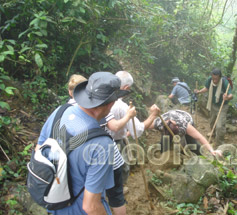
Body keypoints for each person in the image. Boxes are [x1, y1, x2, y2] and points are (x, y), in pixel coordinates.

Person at [35, 72, 130, 215]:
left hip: (54, 204)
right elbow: (90, 206)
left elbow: (39, 150)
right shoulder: (102, 144)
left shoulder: (59, 112)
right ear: (110, 104)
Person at [105, 71, 160, 215]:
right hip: (115, 143)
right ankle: (118, 194)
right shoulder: (121, 106)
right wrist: (153, 115)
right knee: (121, 169)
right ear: (126, 87)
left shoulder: (101, 97)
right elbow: (138, 130)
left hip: (98, 141)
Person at [151, 109, 222, 156]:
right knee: (165, 143)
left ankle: (200, 155)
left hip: (186, 117)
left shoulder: (184, 126)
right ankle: (162, 151)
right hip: (169, 121)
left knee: (192, 143)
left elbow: (199, 137)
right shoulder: (159, 123)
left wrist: (211, 150)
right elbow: (144, 125)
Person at [194, 68, 233, 147]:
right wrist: (199, 92)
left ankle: (219, 143)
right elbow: (206, 88)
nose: (214, 80)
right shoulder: (210, 80)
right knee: (212, 122)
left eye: (216, 79)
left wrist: (227, 97)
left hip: (222, 106)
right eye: (213, 78)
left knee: (219, 126)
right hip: (213, 104)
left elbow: (231, 95)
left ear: (219, 77)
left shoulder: (224, 82)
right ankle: (214, 134)